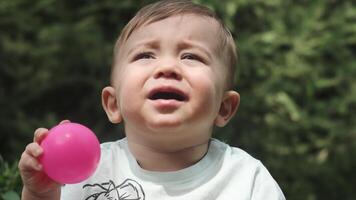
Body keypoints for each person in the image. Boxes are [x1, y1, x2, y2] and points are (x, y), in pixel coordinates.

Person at [18, 0, 286, 199]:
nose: (167, 67)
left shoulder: (246, 180)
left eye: (191, 56)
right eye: (145, 55)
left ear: (224, 108)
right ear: (113, 104)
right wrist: (39, 194)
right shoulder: (87, 172)